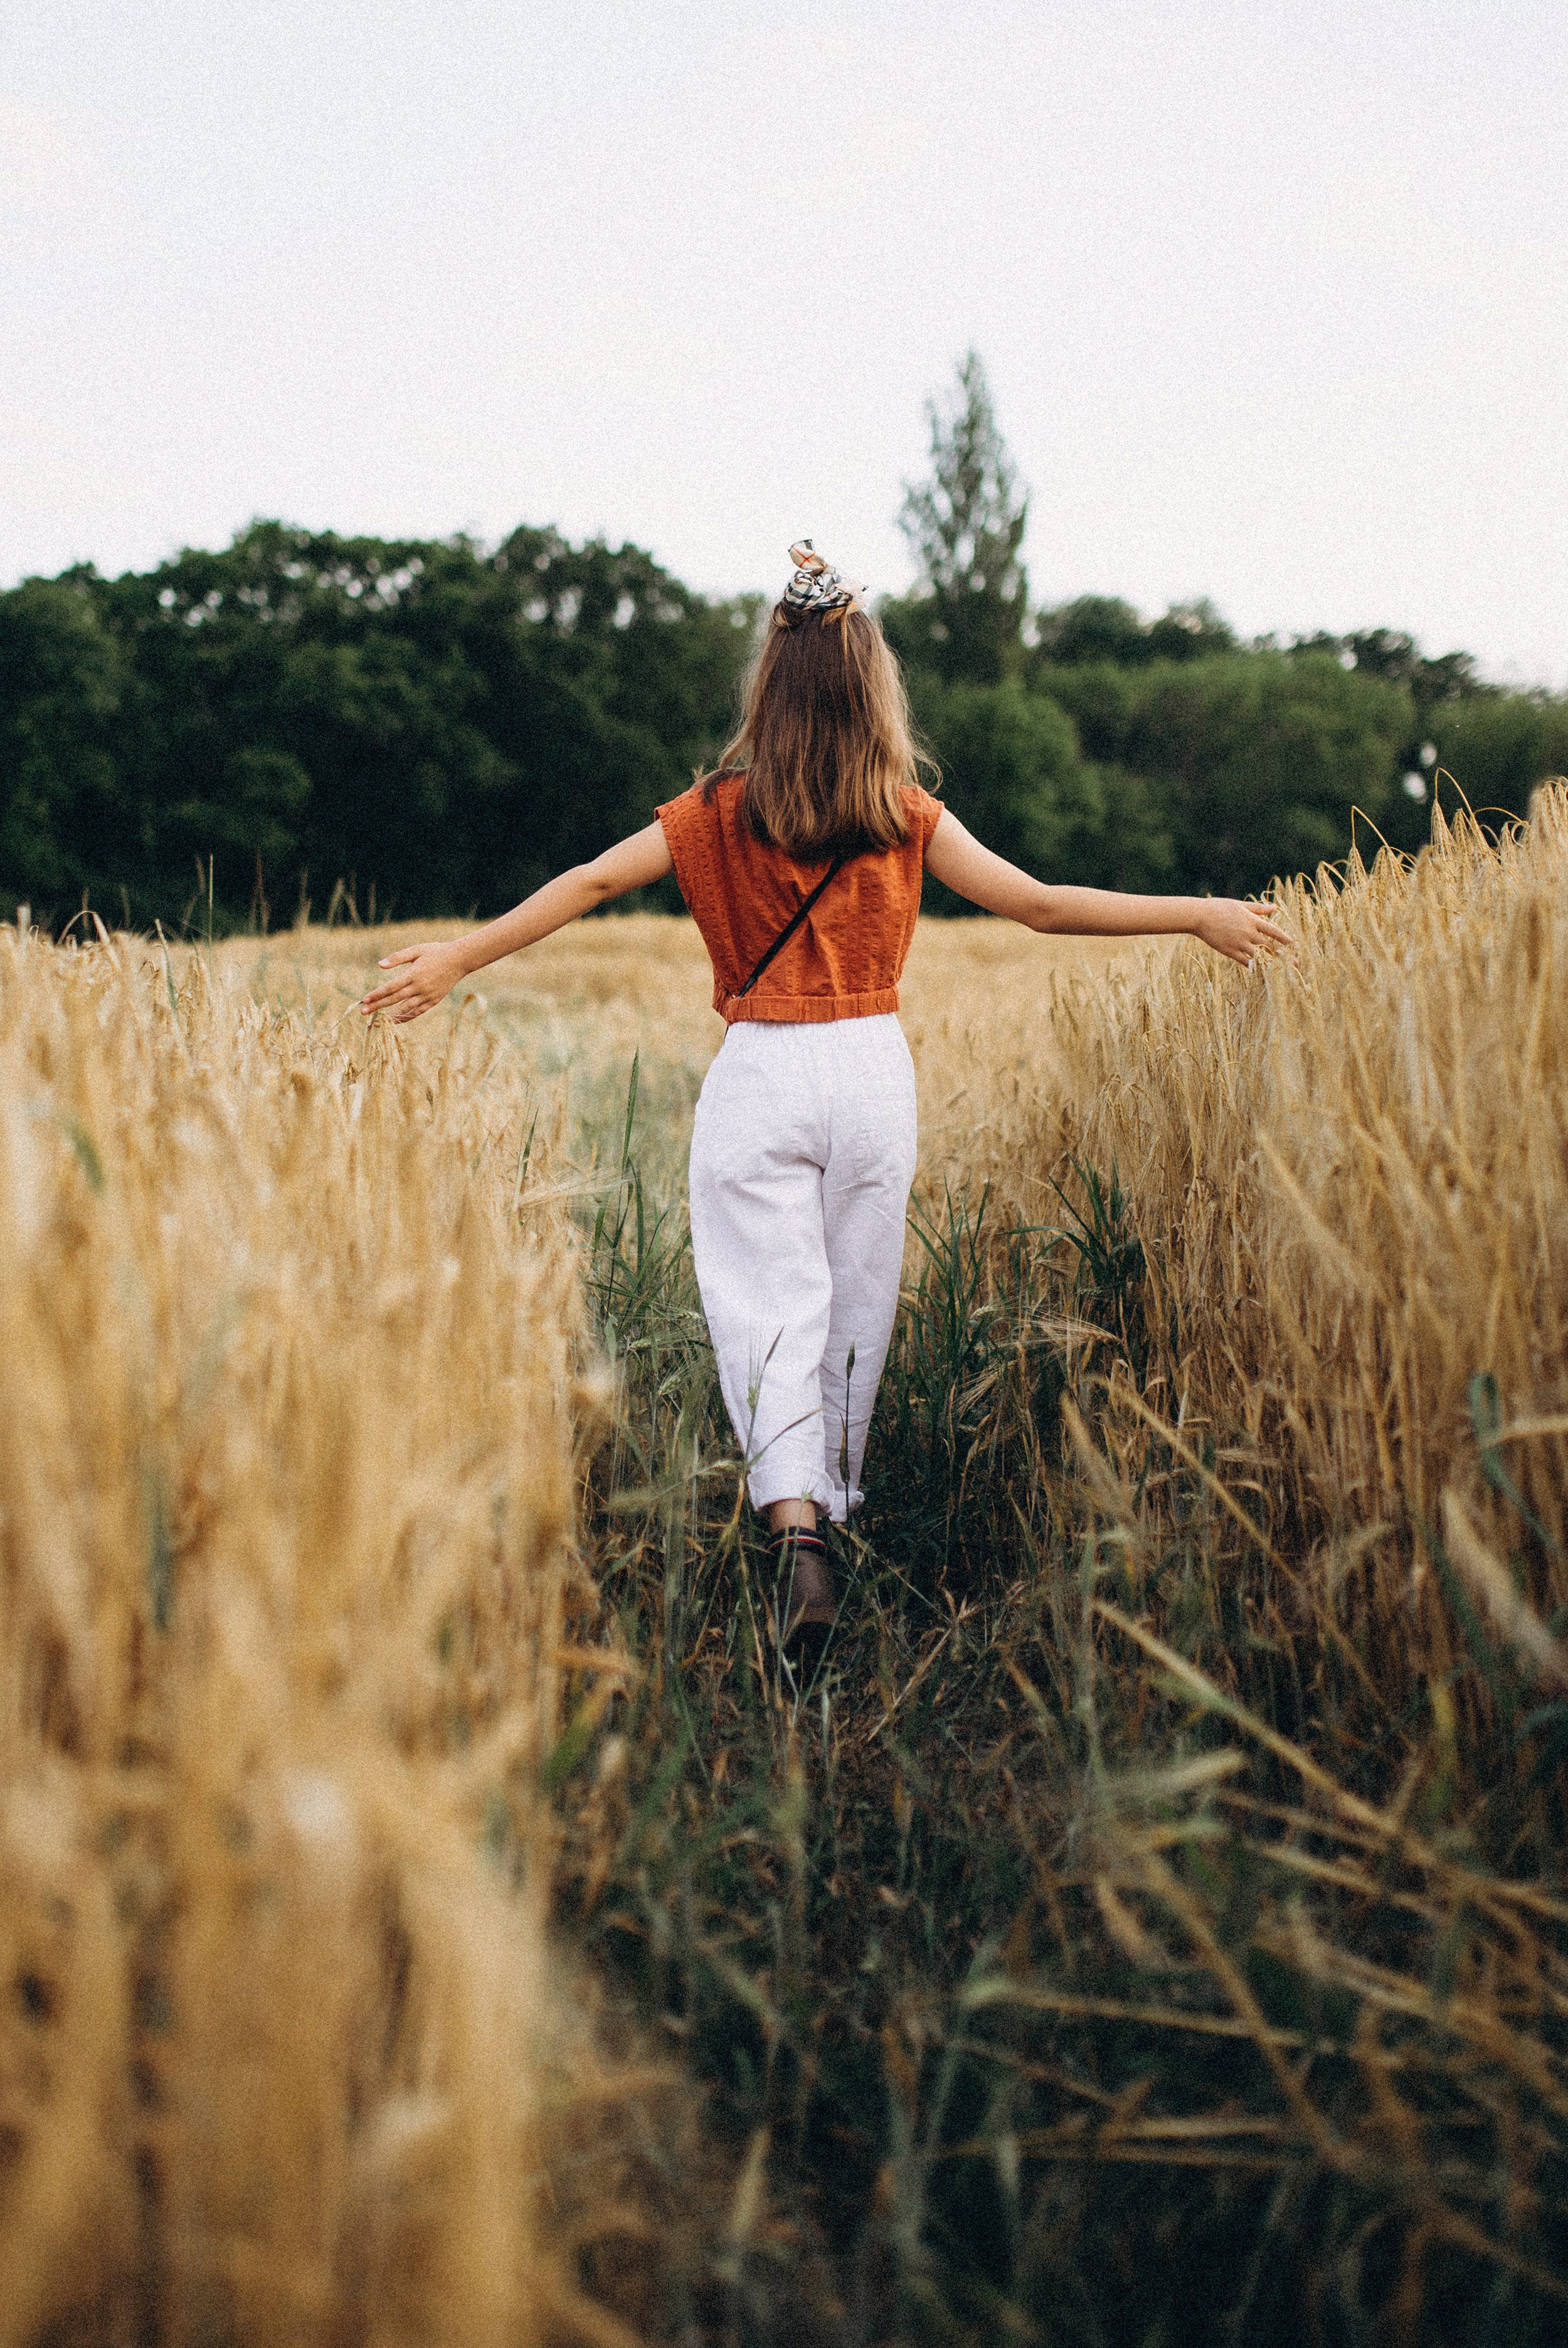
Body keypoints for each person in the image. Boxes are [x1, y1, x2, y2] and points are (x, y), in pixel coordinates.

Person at [361, 542, 1290, 1649]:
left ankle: (794, 1533)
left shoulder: (714, 813)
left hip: (762, 1073)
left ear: (770, 689)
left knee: (767, 1306)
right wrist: (1196, 911)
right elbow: (1039, 906)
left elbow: (596, 881)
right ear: (874, 689)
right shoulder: (906, 816)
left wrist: (463, 956)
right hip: (870, 1076)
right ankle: (834, 1514)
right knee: (855, 1306)